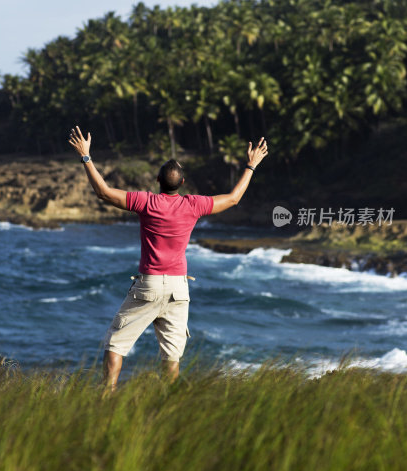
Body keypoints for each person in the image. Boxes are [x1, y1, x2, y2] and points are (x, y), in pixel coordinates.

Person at [69, 126, 268, 389]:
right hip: (178, 288)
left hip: (149, 284)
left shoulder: (146, 202)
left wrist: (86, 157)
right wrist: (251, 165)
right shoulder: (193, 205)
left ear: (157, 181)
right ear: (182, 184)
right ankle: (169, 401)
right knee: (171, 357)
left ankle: (107, 397)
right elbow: (233, 199)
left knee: (115, 345)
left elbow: (104, 192)